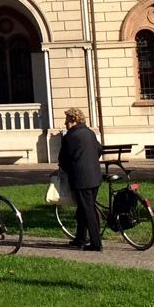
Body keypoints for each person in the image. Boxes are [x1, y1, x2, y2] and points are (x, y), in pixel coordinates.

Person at [58, 106, 103, 251]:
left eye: (67, 119)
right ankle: (80, 238)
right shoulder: (90, 133)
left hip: (80, 178)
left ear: (73, 120)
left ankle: (96, 243)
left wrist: (65, 169)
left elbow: (63, 159)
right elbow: (99, 150)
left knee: (87, 210)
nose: (65, 123)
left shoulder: (70, 136)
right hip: (95, 176)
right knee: (84, 209)